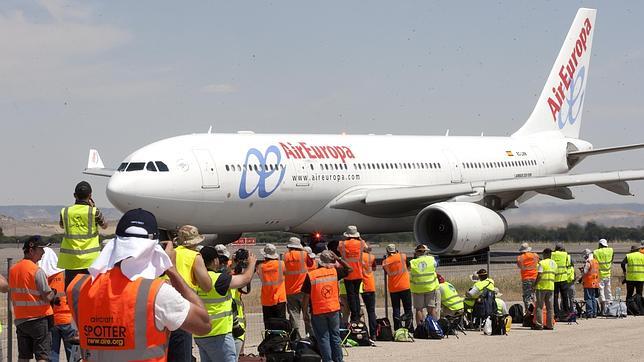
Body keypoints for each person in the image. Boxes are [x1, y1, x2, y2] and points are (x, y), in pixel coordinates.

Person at [66, 208, 211, 361]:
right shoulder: (157, 293)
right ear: (154, 249)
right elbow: (204, 324)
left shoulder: (78, 288)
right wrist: (172, 271)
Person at [195, 246, 257, 362]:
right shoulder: (218, 279)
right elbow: (245, 278)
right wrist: (252, 263)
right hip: (219, 333)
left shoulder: (195, 279)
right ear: (215, 261)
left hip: (200, 334)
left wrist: (232, 265)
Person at [167, 225, 213, 362]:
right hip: (181, 310)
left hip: (162, 310)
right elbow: (207, 286)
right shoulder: (194, 256)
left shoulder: (170, 253)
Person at [9, 236, 55, 362]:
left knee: (23, 356)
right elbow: (47, 297)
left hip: (21, 320)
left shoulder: (12, 270)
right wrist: (53, 294)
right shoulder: (36, 270)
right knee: (42, 356)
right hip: (39, 319)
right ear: (31, 250)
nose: (43, 253)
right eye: (41, 249)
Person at [302, 250, 352, 362]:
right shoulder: (334, 272)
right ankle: (339, 360)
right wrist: (338, 258)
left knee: (323, 338)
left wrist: (305, 312)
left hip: (318, 311)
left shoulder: (311, 275)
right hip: (333, 309)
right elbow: (350, 269)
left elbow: (305, 297)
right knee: (335, 336)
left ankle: (327, 360)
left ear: (319, 262)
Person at [58, 181, 108, 287]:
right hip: (90, 260)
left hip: (71, 261)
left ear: (74, 195)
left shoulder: (65, 211)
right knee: (89, 293)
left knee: (71, 293)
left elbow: (62, 226)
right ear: (90, 196)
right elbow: (105, 225)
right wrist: (93, 207)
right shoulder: (94, 212)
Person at [38, 247, 75, 362]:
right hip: (69, 320)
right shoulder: (67, 275)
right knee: (73, 356)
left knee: (52, 356)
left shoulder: (42, 278)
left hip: (51, 321)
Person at [337, 225, 368, 323]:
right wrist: (359, 238)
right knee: (356, 295)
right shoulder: (361, 243)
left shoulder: (342, 243)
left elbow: (339, 250)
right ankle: (357, 315)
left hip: (348, 273)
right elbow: (367, 248)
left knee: (350, 296)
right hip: (358, 273)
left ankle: (354, 316)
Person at [283, 237, 312, 337]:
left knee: (294, 315)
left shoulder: (285, 256)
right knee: (307, 314)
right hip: (303, 289)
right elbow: (310, 263)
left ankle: (295, 337)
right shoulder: (303, 254)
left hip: (290, 290)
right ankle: (310, 335)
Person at [382, 243, 413, 330]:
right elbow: (408, 266)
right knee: (408, 308)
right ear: (396, 250)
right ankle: (409, 327)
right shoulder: (402, 256)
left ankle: (397, 328)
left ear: (387, 252)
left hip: (393, 288)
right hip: (404, 286)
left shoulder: (385, 262)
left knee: (396, 309)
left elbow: (386, 272)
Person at [257, 243, 287, 328]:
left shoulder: (260, 267)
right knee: (281, 325)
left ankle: (270, 340)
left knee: (269, 326)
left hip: (266, 300)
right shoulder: (281, 264)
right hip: (279, 299)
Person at [410, 244, 440, 325]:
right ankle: (434, 327)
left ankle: (420, 328)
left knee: (419, 309)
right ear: (426, 252)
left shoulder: (413, 262)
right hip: (430, 287)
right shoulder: (431, 260)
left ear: (416, 252)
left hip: (418, 289)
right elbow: (436, 264)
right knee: (431, 308)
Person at [534, 248, 557, 330]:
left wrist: (535, 285)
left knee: (539, 307)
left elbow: (539, 275)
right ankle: (550, 325)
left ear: (545, 254)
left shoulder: (542, 263)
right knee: (550, 307)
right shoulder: (554, 263)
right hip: (550, 287)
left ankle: (539, 324)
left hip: (542, 286)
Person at [361, 245, 377, 338]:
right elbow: (374, 268)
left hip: (360, 286)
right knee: (371, 311)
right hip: (370, 285)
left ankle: (363, 333)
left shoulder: (358, 257)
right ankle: (374, 334)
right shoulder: (371, 257)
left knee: (360, 311)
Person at [593, 238, 614, 313]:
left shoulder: (596, 252)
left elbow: (594, 262)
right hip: (608, 274)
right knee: (608, 291)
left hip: (600, 275)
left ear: (600, 244)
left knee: (601, 292)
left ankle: (603, 309)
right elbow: (611, 260)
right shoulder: (610, 250)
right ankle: (611, 308)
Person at [516, 242, 539, 310]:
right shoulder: (535, 255)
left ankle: (528, 312)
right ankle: (535, 311)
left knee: (527, 296)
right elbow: (537, 262)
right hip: (535, 277)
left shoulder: (520, 258)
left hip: (526, 278)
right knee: (533, 295)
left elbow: (519, 266)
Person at [551, 242, 571, 316]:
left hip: (554, 279)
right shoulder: (566, 255)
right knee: (565, 296)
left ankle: (556, 312)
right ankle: (567, 312)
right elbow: (568, 265)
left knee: (555, 297)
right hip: (563, 278)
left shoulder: (552, 254)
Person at [580, 249, 599, 318]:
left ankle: (589, 313)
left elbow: (585, 272)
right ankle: (594, 313)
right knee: (593, 298)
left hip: (588, 282)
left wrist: (582, 270)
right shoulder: (595, 261)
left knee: (588, 298)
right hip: (595, 282)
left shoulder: (588, 262)